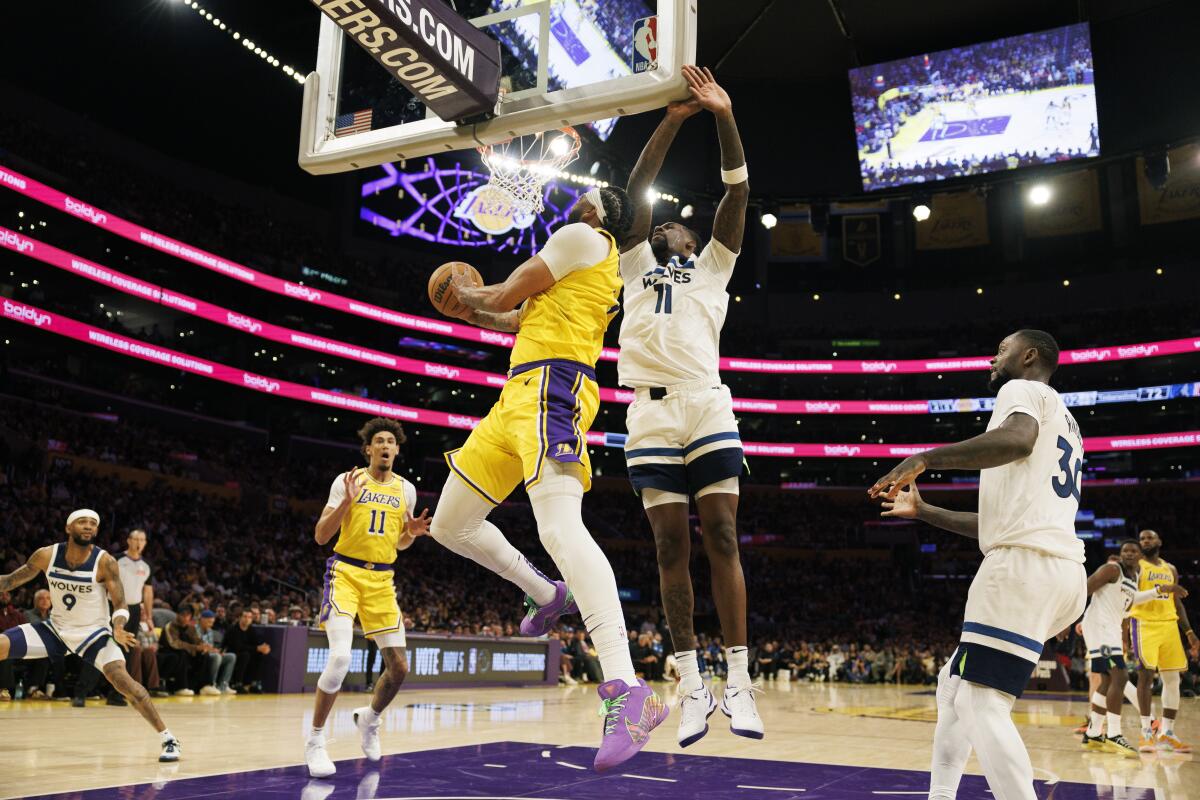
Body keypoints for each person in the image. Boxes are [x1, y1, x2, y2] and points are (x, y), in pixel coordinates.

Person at [428, 170, 668, 770]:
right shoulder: (580, 271)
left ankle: (627, 688)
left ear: (597, 210)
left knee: (561, 529)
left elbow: (504, 295)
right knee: (449, 525)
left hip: (551, 389)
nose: (573, 201)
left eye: (583, 199)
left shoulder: (585, 237)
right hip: (519, 395)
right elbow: (514, 317)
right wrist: (475, 307)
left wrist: (465, 290)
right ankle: (546, 592)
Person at [871, 330, 1087, 800]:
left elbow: (1015, 439)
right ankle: (941, 795)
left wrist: (926, 457)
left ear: (1029, 356)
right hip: (1061, 573)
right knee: (954, 685)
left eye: (1003, 349)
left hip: (1025, 568)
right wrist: (925, 511)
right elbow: (998, 523)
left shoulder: (1022, 391)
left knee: (980, 700)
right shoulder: (1068, 421)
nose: (995, 356)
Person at [616, 64, 760, 747]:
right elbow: (637, 187)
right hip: (648, 409)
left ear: (695, 241)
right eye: (664, 222)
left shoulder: (713, 268)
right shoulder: (634, 259)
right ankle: (691, 680)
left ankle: (739, 681)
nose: (671, 222)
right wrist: (671, 120)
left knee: (723, 536)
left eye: (681, 224)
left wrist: (723, 115)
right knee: (670, 546)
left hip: (704, 405)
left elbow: (738, 186)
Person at [0, 509, 180, 761]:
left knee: (124, 683)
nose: (88, 526)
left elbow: (120, 604)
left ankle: (169, 739)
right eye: (82, 522)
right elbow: (8, 582)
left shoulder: (104, 561)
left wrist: (118, 626)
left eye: (93, 524)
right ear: (68, 527)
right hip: (56, 629)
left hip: (94, 633)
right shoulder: (46, 555)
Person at [305, 417, 430, 778]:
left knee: (400, 669)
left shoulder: (406, 489)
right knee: (341, 658)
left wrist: (413, 533)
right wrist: (346, 502)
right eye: (380, 441)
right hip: (345, 573)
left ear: (397, 450)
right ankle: (315, 741)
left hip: (382, 581)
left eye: (392, 441)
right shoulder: (348, 481)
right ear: (368, 449)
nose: (387, 446)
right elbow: (320, 536)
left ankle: (369, 719)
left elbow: (400, 543)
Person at [1078, 542, 1169, 757]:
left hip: (1111, 630)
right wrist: (1067, 619)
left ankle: (1093, 733)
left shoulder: (1134, 578)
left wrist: (1157, 592)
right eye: (1125, 551)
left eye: (1133, 551)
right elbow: (1085, 589)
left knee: (1108, 681)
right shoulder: (1112, 569)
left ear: (1140, 557)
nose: (1128, 553)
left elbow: (1131, 601)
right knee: (1120, 677)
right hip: (1099, 627)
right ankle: (1114, 734)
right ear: (1120, 555)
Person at [1128, 528, 1199, 753]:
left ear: (1159, 541)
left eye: (1149, 537)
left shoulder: (1171, 569)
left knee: (1172, 680)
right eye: (1142, 539)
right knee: (1146, 676)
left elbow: (1177, 603)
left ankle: (1167, 732)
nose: (1145, 541)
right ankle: (1146, 732)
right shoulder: (1137, 566)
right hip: (1144, 623)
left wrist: (1189, 631)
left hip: (1169, 625)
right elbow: (1128, 598)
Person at [109, 528, 154, 706]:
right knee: (108, 646)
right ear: (128, 541)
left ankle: (116, 693)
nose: (139, 543)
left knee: (126, 649)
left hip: (134, 609)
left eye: (142, 540)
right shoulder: (116, 559)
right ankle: (89, 689)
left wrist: (149, 616)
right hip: (114, 606)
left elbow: (148, 592)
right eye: (136, 539)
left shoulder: (147, 565)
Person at [158, 603, 207, 695]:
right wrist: (195, 648)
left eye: (188, 615)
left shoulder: (191, 628)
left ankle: (198, 686)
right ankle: (180, 687)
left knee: (203, 655)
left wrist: (202, 646)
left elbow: (197, 640)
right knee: (182, 653)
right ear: (177, 615)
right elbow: (175, 644)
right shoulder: (170, 626)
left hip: (185, 651)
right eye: (183, 615)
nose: (186, 618)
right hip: (167, 652)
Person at [224, 608, 271, 693]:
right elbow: (237, 647)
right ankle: (237, 683)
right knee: (245, 655)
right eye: (245, 616)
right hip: (232, 653)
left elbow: (256, 643)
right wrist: (256, 648)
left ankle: (253, 684)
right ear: (239, 618)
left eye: (249, 617)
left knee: (259, 654)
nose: (247, 619)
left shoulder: (251, 629)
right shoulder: (233, 630)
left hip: (246, 652)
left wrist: (263, 648)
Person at [198, 609, 236, 694]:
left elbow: (210, 646)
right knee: (216, 656)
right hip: (201, 654)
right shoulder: (194, 629)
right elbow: (200, 645)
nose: (211, 624)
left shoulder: (210, 631)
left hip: (210, 653)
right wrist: (213, 651)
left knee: (231, 656)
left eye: (212, 622)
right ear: (202, 619)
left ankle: (223, 685)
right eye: (209, 622)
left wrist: (217, 650)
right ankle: (211, 684)